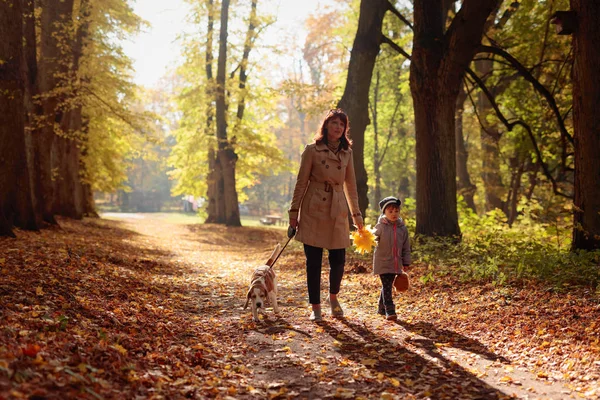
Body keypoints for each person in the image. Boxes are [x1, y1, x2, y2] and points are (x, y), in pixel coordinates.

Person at [288, 108, 364, 321]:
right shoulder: (312, 150)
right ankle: (315, 307)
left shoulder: (347, 153)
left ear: (345, 129)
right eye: (334, 123)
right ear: (326, 126)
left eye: (342, 124)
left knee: (338, 259)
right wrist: (294, 213)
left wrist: (356, 216)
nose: (338, 127)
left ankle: (333, 298)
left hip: (337, 208)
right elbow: (301, 182)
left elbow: (351, 186)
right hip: (314, 208)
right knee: (313, 261)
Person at [373, 196, 411, 321]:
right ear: (384, 212)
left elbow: (406, 247)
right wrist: (367, 238)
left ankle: (381, 308)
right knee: (387, 284)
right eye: (390, 211)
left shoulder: (402, 228)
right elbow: (373, 238)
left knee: (387, 285)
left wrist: (406, 261)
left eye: (396, 211)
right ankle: (390, 310)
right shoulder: (380, 227)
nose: (394, 214)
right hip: (383, 261)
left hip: (396, 262)